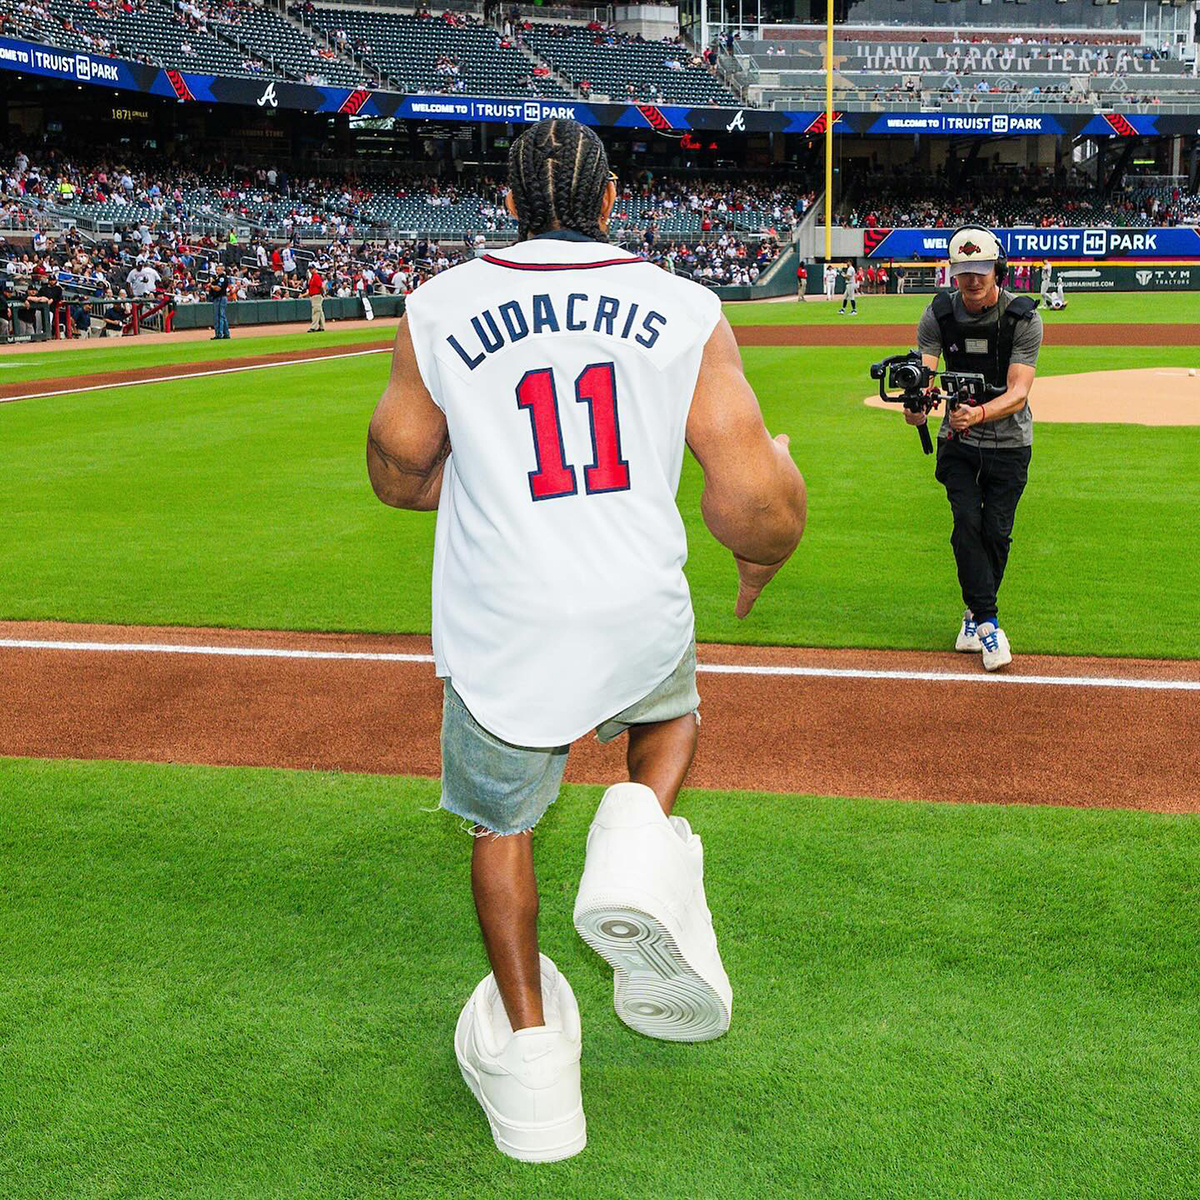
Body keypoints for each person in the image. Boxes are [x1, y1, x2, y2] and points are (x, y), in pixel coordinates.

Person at [366, 119, 806, 1164]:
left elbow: (396, 466)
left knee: (501, 832)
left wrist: (463, 478)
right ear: (614, 204)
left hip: (505, 621)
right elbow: (753, 500)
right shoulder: (688, 308)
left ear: (509, 206)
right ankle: (635, 834)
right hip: (635, 602)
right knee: (669, 723)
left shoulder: (437, 306)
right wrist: (763, 553)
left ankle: (530, 1066)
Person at [906, 227, 1043, 671]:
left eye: (980, 271)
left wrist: (979, 414)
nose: (972, 280)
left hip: (1009, 442)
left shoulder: (1023, 318)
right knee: (967, 520)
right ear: (953, 272)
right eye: (964, 272)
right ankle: (987, 624)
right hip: (958, 442)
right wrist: (918, 406)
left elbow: (1019, 392)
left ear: (996, 269)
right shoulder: (938, 314)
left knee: (996, 534)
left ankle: (971, 615)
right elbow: (925, 374)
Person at [207, 267, 230, 339]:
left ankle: (219, 334)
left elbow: (218, 288)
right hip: (217, 298)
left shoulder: (223, 278)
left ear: (222, 270)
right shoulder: (217, 278)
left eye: (219, 270)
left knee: (219, 317)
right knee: (222, 316)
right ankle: (226, 334)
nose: (217, 271)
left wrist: (211, 286)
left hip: (220, 298)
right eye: (216, 270)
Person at [306, 264, 326, 332]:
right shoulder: (312, 277)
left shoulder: (316, 276)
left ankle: (313, 327)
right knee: (319, 311)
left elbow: (320, 286)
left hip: (317, 295)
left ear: (315, 269)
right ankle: (322, 326)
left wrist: (322, 294)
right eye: (310, 269)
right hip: (314, 296)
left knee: (316, 311)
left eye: (312, 268)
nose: (311, 270)